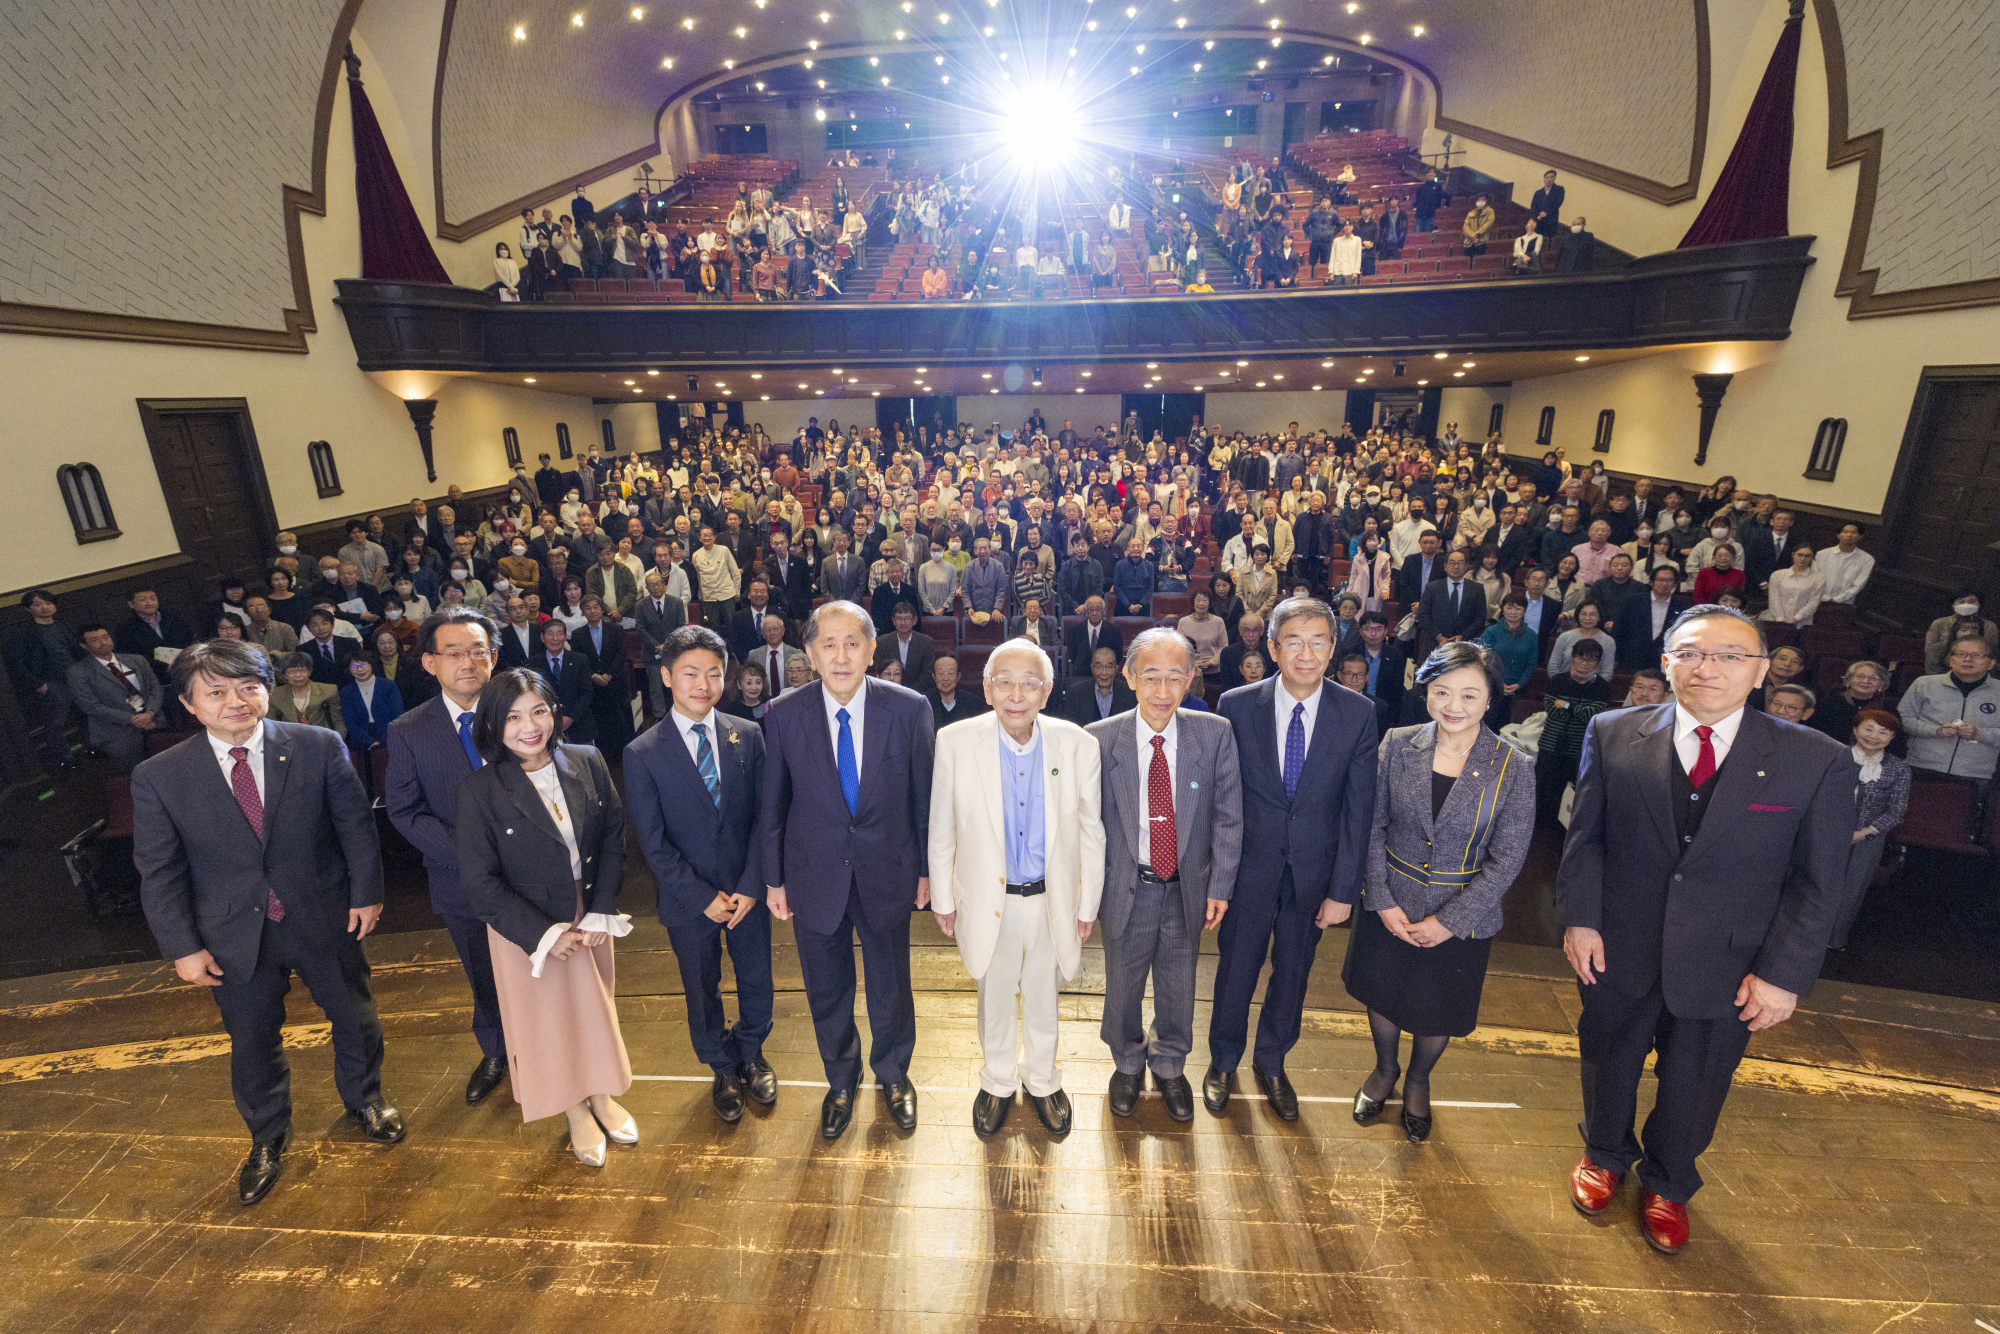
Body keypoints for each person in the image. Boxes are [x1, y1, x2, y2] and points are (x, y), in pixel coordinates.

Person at [1558, 604, 1853, 1254]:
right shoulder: (1611, 731)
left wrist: (1783, 975)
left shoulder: (1817, 760)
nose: (1706, 667)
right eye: (1690, 653)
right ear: (1666, 663)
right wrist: (1580, 919)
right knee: (1608, 1062)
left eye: (1727, 656)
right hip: (1620, 946)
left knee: (1697, 1083)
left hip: (1731, 961)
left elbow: (1818, 883)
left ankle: (1669, 1181)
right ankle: (1604, 1154)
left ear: (1759, 673)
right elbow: (1588, 841)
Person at [132, 640, 400, 1206]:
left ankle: (366, 1099)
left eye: (248, 686)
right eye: (217, 691)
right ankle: (267, 1136)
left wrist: (367, 892)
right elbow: (159, 871)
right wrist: (182, 946)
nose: (236, 700)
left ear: (267, 689)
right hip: (230, 932)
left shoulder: (317, 745)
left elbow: (356, 828)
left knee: (355, 1016)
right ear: (189, 703)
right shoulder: (160, 776)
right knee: (252, 1039)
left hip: (323, 913)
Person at [1347, 642, 1535, 1142]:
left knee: (1438, 1007)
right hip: (1391, 903)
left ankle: (1417, 1080)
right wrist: (1382, 900)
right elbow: (1372, 826)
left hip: (1462, 918)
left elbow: (1508, 858)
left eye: (1469, 695)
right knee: (1383, 995)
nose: (1454, 705)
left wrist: (1449, 920)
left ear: (1490, 699)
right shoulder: (1397, 743)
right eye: (1442, 692)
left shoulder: (1514, 766)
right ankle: (1384, 1071)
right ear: (1427, 692)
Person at [760, 601, 933, 1138]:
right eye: (828, 644)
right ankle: (840, 1078)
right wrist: (773, 879)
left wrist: (929, 872)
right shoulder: (784, 714)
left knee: (890, 983)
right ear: (809, 654)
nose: (840, 655)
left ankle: (894, 1074)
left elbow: (927, 800)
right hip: (813, 875)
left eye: (852, 642)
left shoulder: (909, 708)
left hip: (888, 871)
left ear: (871, 649)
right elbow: (773, 805)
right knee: (826, 987)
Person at [1202, 599, 1376, 1117]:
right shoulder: (1235, 704)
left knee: (1294, 972)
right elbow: (1220, 797)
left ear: (1332, 647)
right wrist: (1218, 873)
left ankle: (1272, 1062)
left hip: (1315, 874)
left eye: (1319, 640)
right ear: (1272, 647)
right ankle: (1223, 1061)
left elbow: (1358, 809)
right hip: (1247, 869)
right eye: (1294, 641)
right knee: (1236, 967)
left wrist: (1344, 890)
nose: (1306, 652)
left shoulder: (1359, 712)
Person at [456, 668, 634, 1167]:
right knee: (547, 1023)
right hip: (527, 926)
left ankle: (602, 1094)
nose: (529, 726)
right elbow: (481, 883)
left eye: (538, 711)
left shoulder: (588, 760)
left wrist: (600, 910)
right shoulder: (479, 790)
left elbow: (612, 837)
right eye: (512, 717)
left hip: (587, 914)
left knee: (595, 1008)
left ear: (554, 713)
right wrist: (543, 934)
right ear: (492, 725)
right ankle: (575, 1109)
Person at [929, 640, 1104, 1136]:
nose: (1016, 694)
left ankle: (1044, 1080)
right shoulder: (956, 742)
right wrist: (943, 896)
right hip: (989, 899)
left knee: (1045, 995)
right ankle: (997, 1081)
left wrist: (1087, 902)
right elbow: (941, 826)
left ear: (1046, 692)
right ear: (986, 689)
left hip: (1053, 898)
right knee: (996, 993)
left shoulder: (1078, 745)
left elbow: (1093, 831)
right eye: (1004, 681)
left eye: (1030, 683)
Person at [624, 625, 778, 1122]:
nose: (704, 684)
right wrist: (701, 896)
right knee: (701, 984)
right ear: (667, 676)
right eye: (691, 673)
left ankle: (752, 1052)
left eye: (714, 673)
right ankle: (720, 1064)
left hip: (747, 893)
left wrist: (752, 885)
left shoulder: (747, 733)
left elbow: (764, 818)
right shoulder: (642, 752)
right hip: (688, 901)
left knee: (756, 977)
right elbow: (652, 841)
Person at [1090, 628, 1243, 1122]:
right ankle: (1128, 1061)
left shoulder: (1213, 733)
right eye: (1150, 676)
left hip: (1186, 889)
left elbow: (1228, 815)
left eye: (1174, 677)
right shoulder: (1100, 738)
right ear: (1130, 677)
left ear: (1191, 679)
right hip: (1126, 886)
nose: (1162, 690)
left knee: (1179, 986)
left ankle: (1171, 1064)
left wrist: (1220, 884)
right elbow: (1085, 826)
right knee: (1124, 985)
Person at [382, 609, 514, 1107]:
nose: (467, 662)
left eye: (478, 651)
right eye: (453, 653)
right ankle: (497, 1051)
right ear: (430, 663)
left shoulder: (522, 711)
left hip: (534, 874)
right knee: (482, 971)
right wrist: (469, 853)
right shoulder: (409, 729)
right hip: (459, 878)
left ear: (494, 658)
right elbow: (405, 809)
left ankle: (548, 1047)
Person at [1898, 639, 2000, 831]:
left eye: (1977, 655)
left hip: (1974, 776)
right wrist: (1934, 731)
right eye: (1961, 654)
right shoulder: (1924, 684)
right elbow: (1902, 720)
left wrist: (1980, 734)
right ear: (1950, 660)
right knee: (1911, 828)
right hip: (1920, 768)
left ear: (1991, 663)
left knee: (1956, 833)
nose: (1967, 659)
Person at [1832, 710, 1910, 950]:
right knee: (1815, 885)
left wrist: (1864, 833)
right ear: (1855, 730)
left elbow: (1896, 811)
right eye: (1868, 729)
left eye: (1883, 732)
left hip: (1869, 837)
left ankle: (1834, 940)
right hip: (1827, 832)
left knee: (1852, 890)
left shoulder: (1899, 769)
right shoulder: (1832, 756)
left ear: (1892, 737)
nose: (1874, 736)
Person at [1536, 639, 1612, 826]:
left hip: (1580, 745)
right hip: (1551, 741)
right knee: (1544, 784)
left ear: (1599, 662)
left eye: (1591, 660)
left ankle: (1561, 824)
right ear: (1572, 657)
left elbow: (1592, 715)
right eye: (1581, 658)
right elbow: (1552, 711)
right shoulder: (1558, 680)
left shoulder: (1601, 686)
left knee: (1570, 787)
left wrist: (1567, 705)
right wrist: (1578, 709)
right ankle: (1538, 823)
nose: (1584, 663)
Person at [67, 622, 164, 769]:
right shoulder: (77, 672)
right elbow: (91, 706)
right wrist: (133, 719)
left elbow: (155, 687)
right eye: (95, 640)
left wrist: (150, 712)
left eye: (105, 637)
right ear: (84, 646)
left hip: (154, 720)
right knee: (137, 774)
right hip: (117, 733)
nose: (103, 642)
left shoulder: (137, 660)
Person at [8, 589, 82, 771]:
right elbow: (16, 664)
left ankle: (91, 746)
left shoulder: (61, 626)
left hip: (75, 678)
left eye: (48, 603)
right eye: (38, 604)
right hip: (52, 683)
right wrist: (38, 685)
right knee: (55, 723)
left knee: (84, 713)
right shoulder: (25, 633)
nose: (44, 607)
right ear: (28, 609)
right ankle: (65, 758)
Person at [1809, 660, 1890, 744]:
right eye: (1860, 676)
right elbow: (1816, 734)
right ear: (1849, 680)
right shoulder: (1829, 703)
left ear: (1881, 684)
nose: (1866, 681)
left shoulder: (1887, 707)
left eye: (1873, 678)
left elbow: (1894, 741)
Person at [1923, 592, 1998, 673]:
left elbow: (1992, 654)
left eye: (1971, 601)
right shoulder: (1939, 624)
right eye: (1962, 602)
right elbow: (1930, 654)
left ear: (1979, 604)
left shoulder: (1989, 626)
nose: (1969, 633)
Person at [1760, 545, 1825, 626]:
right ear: (1793, 554)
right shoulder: (1778, 575)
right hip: (1776, 621)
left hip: (1802, 623)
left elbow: (1813, 602)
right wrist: (1781, 619)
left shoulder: (1818, 578)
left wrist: (1796, 618)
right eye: (1800, 555)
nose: (1803, 559)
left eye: (1807, 556)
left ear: (1812, 557)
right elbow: (1774, 599)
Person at [1816, 522, 1874, 605]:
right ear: (1838, 535)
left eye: (1853, 533)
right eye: (1845, 532)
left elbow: (1859, 584)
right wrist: (1825, 597)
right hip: (1818, 599)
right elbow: (1815, 578)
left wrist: (1838, 599)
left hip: (1845, 603)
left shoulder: (1867, 559)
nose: (1849, 535)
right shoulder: (1822, 554)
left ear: (1860, 536)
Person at [926, 653, 987, 731]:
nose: (945, 678)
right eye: (941, 674)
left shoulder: (973, 703)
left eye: (950, 674)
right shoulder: (924, 702)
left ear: (958, 676)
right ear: (934, 677)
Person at [1063, 597, 1123, 676]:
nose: (1094, 613)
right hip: (1081, 674)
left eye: (1098, 609)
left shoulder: (1114, 630)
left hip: (1106, 675)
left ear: (1103, 611)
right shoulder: (1074, 630)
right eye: (1091, 610)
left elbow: (1117, 656)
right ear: (1086, 612)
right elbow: (1073, 655)